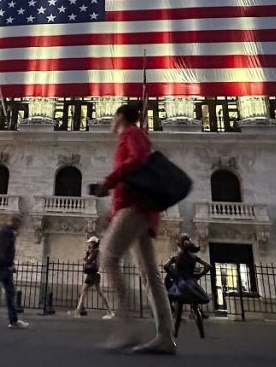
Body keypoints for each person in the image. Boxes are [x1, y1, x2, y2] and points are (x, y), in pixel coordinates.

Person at [91, 103, 175, 354]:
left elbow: (137, 161)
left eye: (113, 116)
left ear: (120, 117)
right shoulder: (133, 136)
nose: (110, 121)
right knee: (150, 274)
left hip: (136, 208)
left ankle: (127, 324)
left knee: (107, 256)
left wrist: (109, 181)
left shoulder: (132, 134)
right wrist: (111, 211)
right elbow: (130, 176)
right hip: (136, 209)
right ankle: (165, 336)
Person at [164, 236, 212, 339]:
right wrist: (198, 276)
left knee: (179, 311)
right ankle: (202, 334)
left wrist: (174, 275)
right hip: (191, 284)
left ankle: (175, 334)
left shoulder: (176, 258)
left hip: (180, 284)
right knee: (195, 309)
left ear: (180, 246)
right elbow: (208, 266)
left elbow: (165, 267)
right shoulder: (194, 257)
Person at [73, 236, 115, 319]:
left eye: (91, 243)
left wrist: (87, 254)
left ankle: (77, 311)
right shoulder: (95, 251)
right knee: (98, 293)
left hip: (92, 274)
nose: (90, 244)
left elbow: (87, 260)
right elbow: (87, 259)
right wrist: (88, 254)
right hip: (94, 274)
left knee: (83, 292)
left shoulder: (95, 252)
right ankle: (110, 311)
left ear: (94, 243)